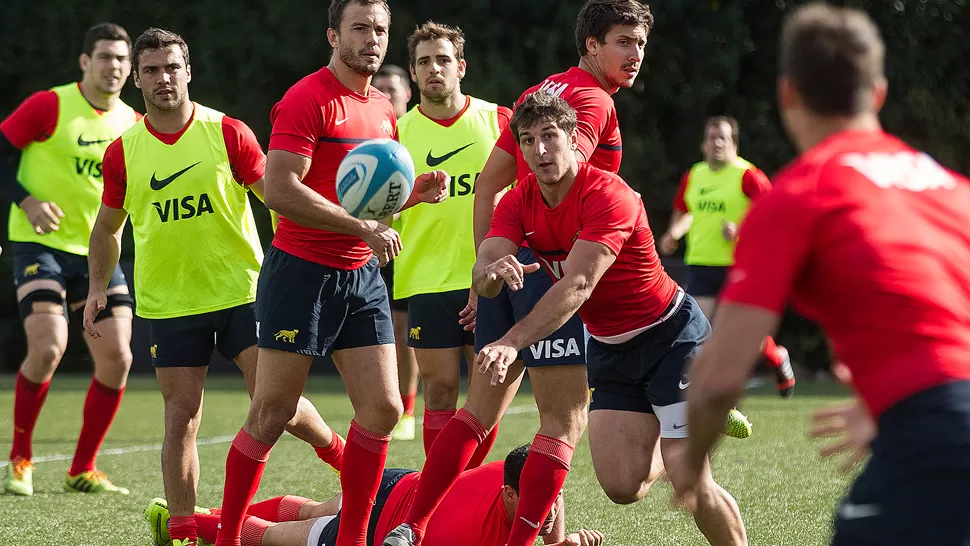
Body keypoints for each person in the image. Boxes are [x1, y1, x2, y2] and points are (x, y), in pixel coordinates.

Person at [679, 4, 970, 546]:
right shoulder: (950, 187)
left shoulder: (800, 194)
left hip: (939, 430)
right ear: (879, 93)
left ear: (788, 94)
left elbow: (720, 377)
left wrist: (692, 460)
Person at [383, 3, 662, 544]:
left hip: (509, 263)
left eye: (640, 43)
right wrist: (532, 260)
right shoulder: (589, 98)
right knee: (561, 422)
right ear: (590, 46)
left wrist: (484, 271)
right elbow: (559, 183)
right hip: (547, 273)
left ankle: (414, 524)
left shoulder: (544, 93)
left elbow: (490, 187)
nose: (634, 55)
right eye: (623, 42)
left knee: (477, 412)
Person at [84, 28, 344, 546]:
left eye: (172, 68)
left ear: (188, 71)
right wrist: (96, 287)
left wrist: (308, 261)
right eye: (152, 70)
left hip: (244, 293)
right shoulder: (122, 152)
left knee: (278, 405)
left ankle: (344, 458)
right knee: (181, 417)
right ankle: (181, 532)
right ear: (137, 79)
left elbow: (279, 200)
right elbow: (106, 229)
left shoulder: (227, 132)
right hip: (171, 303)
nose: (163, 79)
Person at [213, 1, 450, 545]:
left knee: (385, 408)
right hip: (301, 272)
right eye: (360, 28)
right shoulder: (306, 98)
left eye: (380, 30)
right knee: (271, 412)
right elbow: (279, 189)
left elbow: (369, 205)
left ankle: (351, 539)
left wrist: (410, 197)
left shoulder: (385, 109)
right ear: (333, 35)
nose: (372, 38)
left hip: (360, 273)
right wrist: (361, 227)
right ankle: (227, 538)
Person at [1, 22, 138, 497]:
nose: (114, 66)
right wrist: (26, 200)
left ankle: (83, 468)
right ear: (85, 62)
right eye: (105, 57)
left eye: (122, 59)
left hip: (99, 252)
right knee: (48, 347)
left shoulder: (133, 124)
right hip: (40, 246)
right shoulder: (49, 104)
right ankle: (20, 459)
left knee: (118, 357)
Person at [394, 21, 512, 458]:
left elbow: (523, 198)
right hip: (424, 279)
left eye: (443, 60)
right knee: (439, 391)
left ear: (461, 67)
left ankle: (462, 488)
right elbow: (375, 210)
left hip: (489, 278)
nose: (434, 69)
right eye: (424, 62)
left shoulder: (498, 120)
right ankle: (442, 499)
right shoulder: (395, 134)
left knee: (486, 398)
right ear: (413, 73)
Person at [147, 445, 604, 546]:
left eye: (554, 499)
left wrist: (560, 540)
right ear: (507, 495)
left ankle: (195, 514)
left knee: (312, 509)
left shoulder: (523, 474)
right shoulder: (462, 536)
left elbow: (543, 523)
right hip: (381, 527)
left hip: (401, 483)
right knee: (276, 540)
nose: (549, 511)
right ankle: (176, 523)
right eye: (538, 505)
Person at [658, 116, 795, 397]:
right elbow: (685, 210)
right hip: (701, 263)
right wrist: (674, 233)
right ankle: (704, 391)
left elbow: (773, 214)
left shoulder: (747, 175)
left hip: (740, 265)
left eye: (722, 138)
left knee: (741, 333)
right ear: (703, 144)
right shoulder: (694, 175)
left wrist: (741, 231)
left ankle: (776, 356)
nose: (716, 143)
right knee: (698, 327)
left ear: (733, 143)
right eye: (711, 138)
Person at [371, 63, 420, 442]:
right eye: (379, 88)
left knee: (405, 332)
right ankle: (393, 405)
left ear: (408, 94)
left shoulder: (417, 136)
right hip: (377, 245)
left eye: (392, 88)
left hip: (415, 249)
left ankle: (408, 408)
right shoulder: (369, 139)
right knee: (391, 330)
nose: (385, 94)